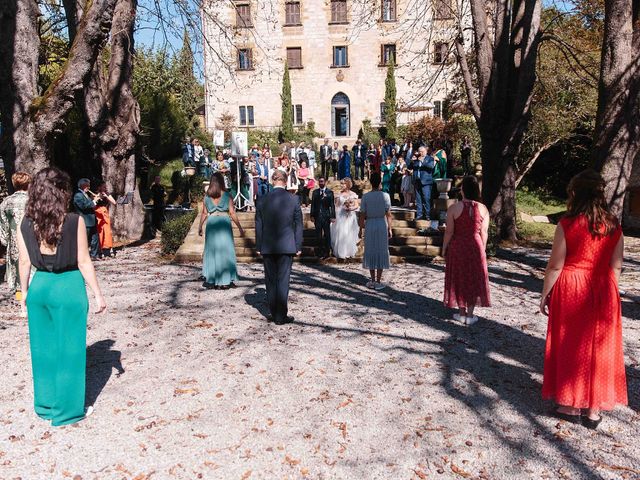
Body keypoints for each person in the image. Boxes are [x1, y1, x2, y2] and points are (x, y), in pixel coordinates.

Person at [17, 167, 106, 426]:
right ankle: (67, 411)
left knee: (42, 349)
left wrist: (23, 295)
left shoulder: (26, 223)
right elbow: (83, 260)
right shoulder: (73, 221)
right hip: (67, 287)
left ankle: (45, 405)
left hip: (39, 287)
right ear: (61, 192)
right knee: (70, 351)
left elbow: (24, 261)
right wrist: (97, 294)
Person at [540, 170, 626, 430]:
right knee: (598, 347)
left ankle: (569, 404)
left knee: (571, 343)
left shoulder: (567, 224)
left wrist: (545, 294)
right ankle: (594, 410)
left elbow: (556, 265)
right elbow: (617, 266)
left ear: (575, 194)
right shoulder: (614, 225)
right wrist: (608, 291)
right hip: (603, 287)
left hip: (573, 287)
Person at [255, 169, 303, 325]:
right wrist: (298, 244)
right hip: (287, 244)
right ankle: (281, 315)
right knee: (283, 280)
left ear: (272, 180)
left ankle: (274, 311)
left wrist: (258, 245)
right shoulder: (294, 199)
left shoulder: (262, 199)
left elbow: (258, 225)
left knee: (270, 280)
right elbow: (298, 225)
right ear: (286, 180)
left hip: (268, 244)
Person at [442, 176, 490, 325]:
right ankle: (470, 314)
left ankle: (461, 312)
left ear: (463, 190)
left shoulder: (454, 208)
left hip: (458, 245)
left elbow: (449, 232)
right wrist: (483, 248)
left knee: (460, 276)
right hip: (475, 245)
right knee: (473, 277)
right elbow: (484, 232)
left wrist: (444, 248)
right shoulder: (483, 209)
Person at [198, 172, 244, 289]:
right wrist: (239, 227)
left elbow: (204, 213)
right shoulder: (227, 195)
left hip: (212, 222)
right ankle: (226, 280)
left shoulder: (207, 197)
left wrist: (200, 226)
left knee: (212, 250)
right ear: (222, 181)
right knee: (226, 250)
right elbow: (232, 212)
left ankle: (213, 279)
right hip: (224, 222)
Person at [0, 171, 31, 296]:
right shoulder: (32, 200)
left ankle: (20, 296)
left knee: (17, 267)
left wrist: (5, 239)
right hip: (32, 238)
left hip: (14, 241)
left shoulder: (7, 202)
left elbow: (3, 222)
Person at [359, 172, 392, 290]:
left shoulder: (366, 197)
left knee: (371, 249)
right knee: (381, 249)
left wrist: (360, 229)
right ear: (380, 182)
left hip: (370, 224)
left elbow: (362, 215)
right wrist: (390, 228)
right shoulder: (386, 196)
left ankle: (372, 280)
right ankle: (378, 280)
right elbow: (389, 214)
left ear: (370, 182)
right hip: (381, 224)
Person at [331, 178, 359, 259]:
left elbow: (356, 205)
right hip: (341, 215)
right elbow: (336, 206)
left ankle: (348, 251)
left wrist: (351, 208)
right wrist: (335, 215)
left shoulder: (353, 194)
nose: (341, 185)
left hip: (350, 216)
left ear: (347, 184)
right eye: (341, 184)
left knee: (349, 233)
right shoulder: (339, 194)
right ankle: (340, 252)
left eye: (343, 184)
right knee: (341, 233)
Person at [73, 178, 99, 259]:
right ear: (83, 186)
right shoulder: (78, 195)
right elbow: (83, 206)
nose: (89, 187)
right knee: (85, 239)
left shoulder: (85, 194)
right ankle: (82, 256)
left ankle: (94, 255)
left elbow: (90, 204)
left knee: (95, 238)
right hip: (85, 220)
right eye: (88, 185)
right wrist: (94, 201)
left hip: (92, 220)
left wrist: (94, 200)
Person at [310, 177, 336, 258]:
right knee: (318, 235)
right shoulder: (315, 192)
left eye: (322, 181)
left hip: (326, 216)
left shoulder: (330, 192)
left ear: (325, 182)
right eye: (320, 181)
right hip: (317, 216)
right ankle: (320, 251)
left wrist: (333, 216)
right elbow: (313, 205)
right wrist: (312, 215)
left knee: (327, 234)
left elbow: (332, 205)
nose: (321, 183)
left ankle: (327, 251)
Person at [410, 146, 435, 220]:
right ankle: (419, 215)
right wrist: (412, 161)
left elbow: (431, 167)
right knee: (418, 199)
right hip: (417, 181)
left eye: (422, 151)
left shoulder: (430, 158)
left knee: (427, 198)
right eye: (419, 151)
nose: (420, 153)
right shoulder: (416, 159)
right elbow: (410, 167)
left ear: (425, 151)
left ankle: (428, 215)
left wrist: (421, 161)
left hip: (426, 182)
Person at [94, 181, 116, 258]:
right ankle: (100, 249)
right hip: (98, 213)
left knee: (107, 231)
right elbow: (93, 203)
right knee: (100, 231)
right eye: (103, 186)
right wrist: (98, 197)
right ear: (99, 187)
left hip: (105, 213)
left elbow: (114, 202)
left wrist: (106, 196)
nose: (105, 188)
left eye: (105, 186)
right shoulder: (95, 194)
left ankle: (107, 248)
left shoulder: (106, 193)